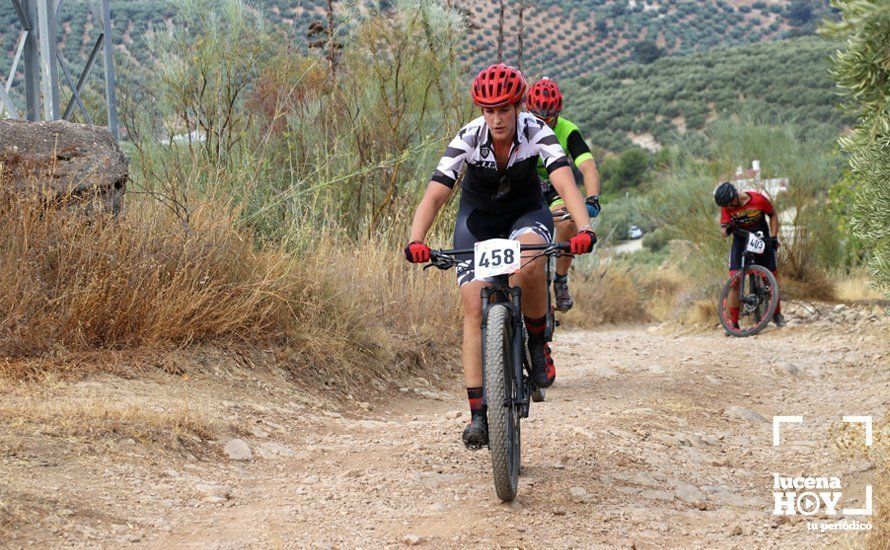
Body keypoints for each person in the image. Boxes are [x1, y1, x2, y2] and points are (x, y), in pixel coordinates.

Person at [404, 64, 596, 449]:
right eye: (488, 111)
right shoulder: (468, 138)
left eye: (504, 109)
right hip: (479, 220)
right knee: (474, 303)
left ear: (518, 106)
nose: (496, 119)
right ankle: (478, 415)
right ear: (480, 110)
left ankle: (538, 345)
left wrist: (585, 227)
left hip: (526, 212)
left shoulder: (536, 131)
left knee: (530, 260)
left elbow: (563, 179)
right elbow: (437, 193)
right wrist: (416, 239)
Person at [526, 77, 602, 311]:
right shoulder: (517, 126)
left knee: (567, 223)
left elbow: (588, 167)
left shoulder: (568, 130)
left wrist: (592, 198)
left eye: (549, 120)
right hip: (525, 183)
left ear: (558, 113)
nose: (544, 125)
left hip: (554, 186)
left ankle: (560, 279)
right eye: (538, 120)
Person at [714, 181, 785, 333]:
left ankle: (777, 314)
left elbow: (772, 214)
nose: (728, 207)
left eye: (729, 204)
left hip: (761, 236)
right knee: (735, 281)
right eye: (725, 205)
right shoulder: (726, 206)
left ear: (735, 196)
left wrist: (773, 237)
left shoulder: (758, 199)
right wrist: (728, 230)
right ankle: (733, 323)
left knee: (770, 277)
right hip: (741, 239)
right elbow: (723, 232)